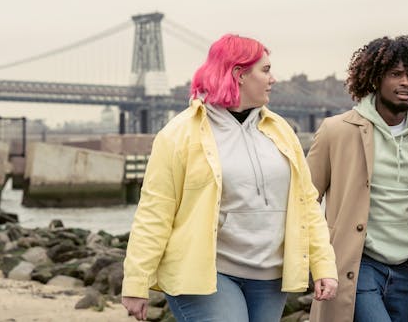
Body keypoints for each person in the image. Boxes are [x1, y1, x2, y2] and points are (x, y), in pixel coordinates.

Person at [121, 33, 338, 322]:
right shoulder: (178, 135)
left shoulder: (281, 131)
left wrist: (324, 266)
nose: (273, 79)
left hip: (271, 277)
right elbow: (154, 211)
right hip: (207, 275)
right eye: (265, 70)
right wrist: (136, 283)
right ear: (239, 74)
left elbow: (308, 205)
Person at [307, 35, 408, 322]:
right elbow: (305, 200)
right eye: (396, 74)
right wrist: (315, 263)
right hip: (358, 265)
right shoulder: (336, 131)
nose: (406, 82)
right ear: (374, 79)